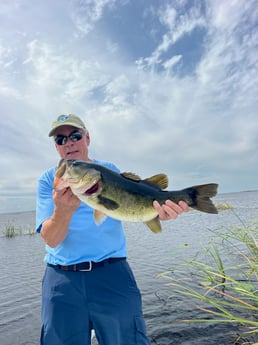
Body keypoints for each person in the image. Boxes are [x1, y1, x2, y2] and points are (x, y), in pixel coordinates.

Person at [36, 114, 189, 345]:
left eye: (75, 136)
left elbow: (131, 207)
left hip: (112, 273)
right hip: (62, 280)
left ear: (87, 138)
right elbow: (51, 239)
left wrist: (160, 213)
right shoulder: (49, 180)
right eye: (60, 139)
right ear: (56, 147)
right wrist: (63, 210)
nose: (69, 143)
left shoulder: (109, 170)